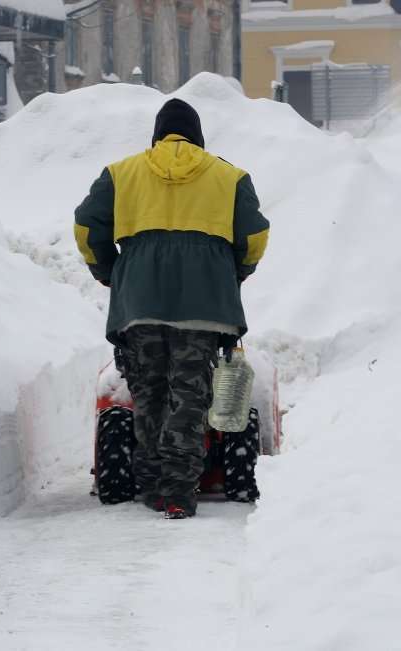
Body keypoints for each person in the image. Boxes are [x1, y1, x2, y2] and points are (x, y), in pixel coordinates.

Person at [74, 98, 269, 520]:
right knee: (190, 394)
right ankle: (180, 490)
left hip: (140, 302)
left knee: (149, 392)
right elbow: (254, 235)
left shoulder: (121, 174)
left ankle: (152, 485)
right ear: (198, 137)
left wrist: (108, 269)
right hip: (204, 303)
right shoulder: (229, 177)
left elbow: (87, 226)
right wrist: (236, 271)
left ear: (156, 136)